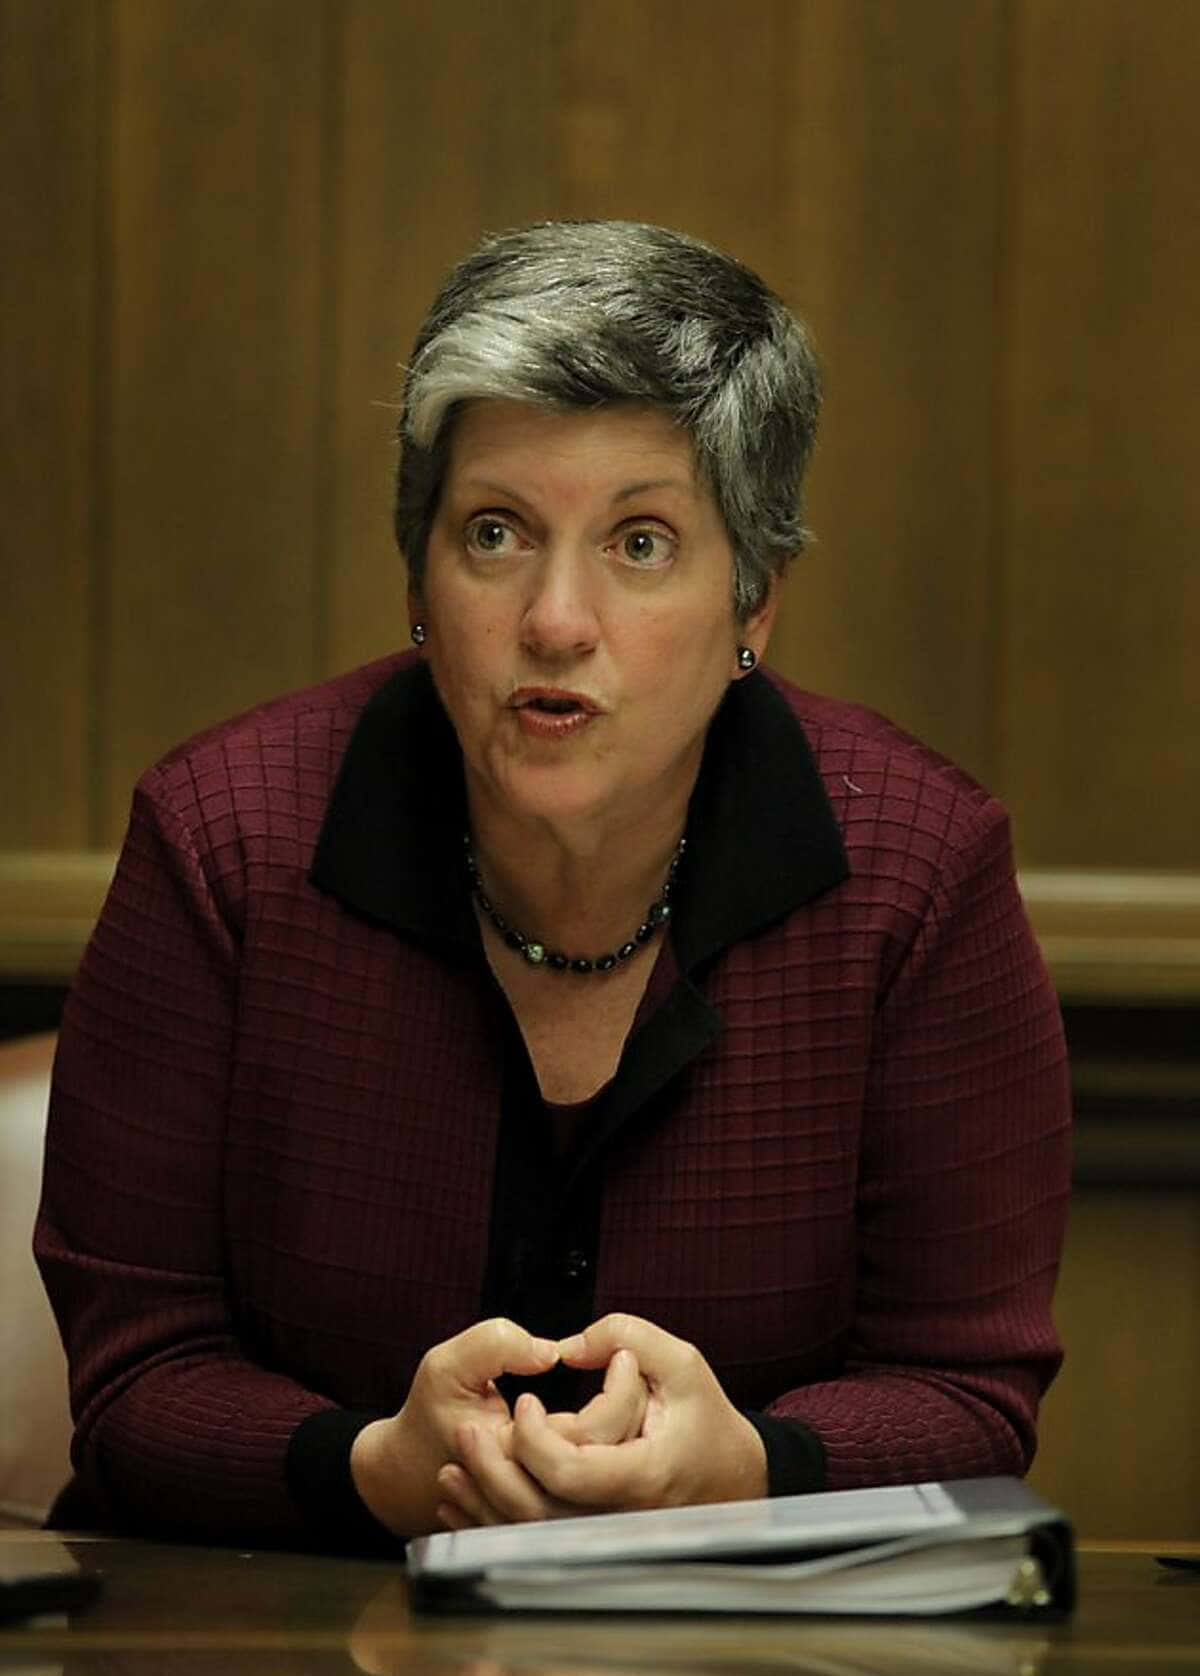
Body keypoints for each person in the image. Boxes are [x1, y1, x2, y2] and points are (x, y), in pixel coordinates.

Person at [35, 221, 1071, 1550]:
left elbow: (969, 1389)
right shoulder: (223, 846)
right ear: (420, 575)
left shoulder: (918, 877)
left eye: (641, 543)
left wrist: (748, 1467)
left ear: (755, 601)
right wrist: (372, 1466)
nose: (556, 620)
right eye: (496, 533)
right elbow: (132, 1378)